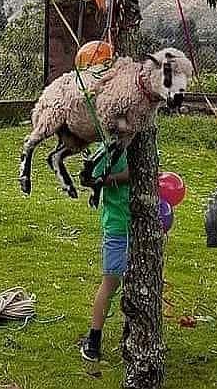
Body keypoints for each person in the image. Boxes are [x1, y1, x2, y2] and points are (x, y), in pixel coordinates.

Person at [80, 149, 130, 362]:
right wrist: (95, 178)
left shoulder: (142, 146)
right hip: (119, 226)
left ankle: (129, 335)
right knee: (112, 282)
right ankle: (94, 339)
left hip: (138, 225)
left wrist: (104, 179)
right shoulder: (108, 148)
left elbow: (143, 173)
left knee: (133, 283)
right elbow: (91, 178)